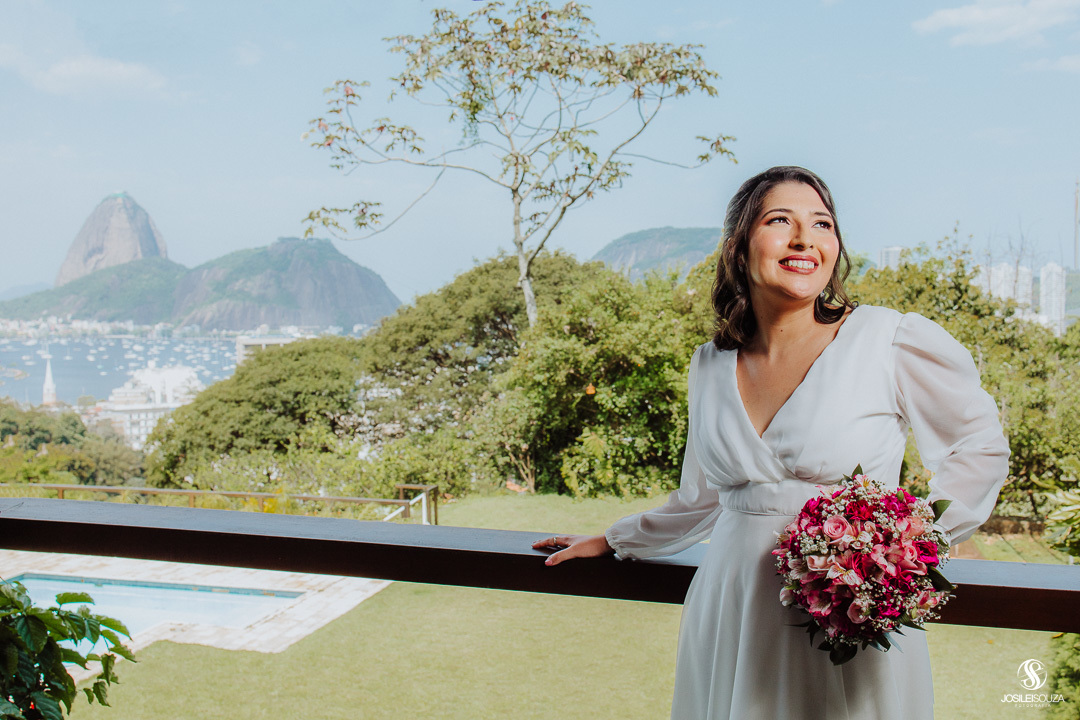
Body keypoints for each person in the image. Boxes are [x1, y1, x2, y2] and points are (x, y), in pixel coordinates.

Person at [532, 166, 1010, 719]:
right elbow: (706, 497)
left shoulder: (887, 340)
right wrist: (617, 539)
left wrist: (902, 550)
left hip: (844, 611)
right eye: (780, 220)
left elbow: (978, 445)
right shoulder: (709, 365)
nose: (804, 239)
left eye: (822, 224)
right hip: (732, 606)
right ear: (739, 244)